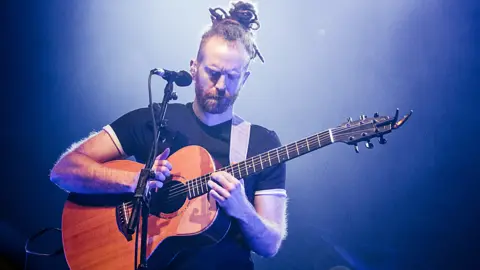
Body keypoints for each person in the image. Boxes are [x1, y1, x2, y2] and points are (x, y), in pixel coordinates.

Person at [50, 1, 288, 269]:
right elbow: (64, 170)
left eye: (232, 77)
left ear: (244, 79)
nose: (221, 85)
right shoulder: (154, 119)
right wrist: (135, 180)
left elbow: (270, 246)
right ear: (194, 67)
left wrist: (243, 209)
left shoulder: (263, 144)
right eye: (213, 72)